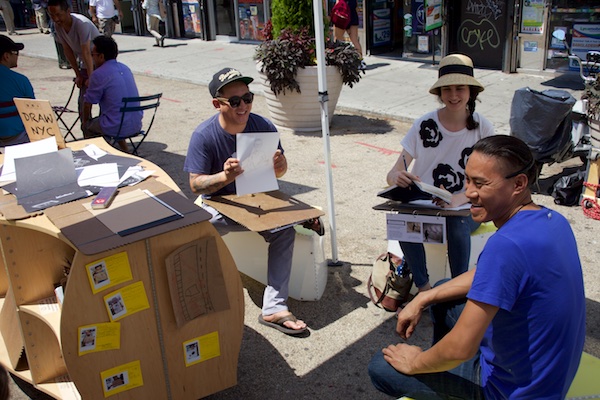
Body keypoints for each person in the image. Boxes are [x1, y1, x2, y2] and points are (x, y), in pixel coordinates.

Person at [369, 135, 586, 399]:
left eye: (481, 184)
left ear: (519, 183)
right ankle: (441, 370)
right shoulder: (554, 221)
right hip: (549, 381)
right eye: (468, 180)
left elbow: (461, 348)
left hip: (507, 392)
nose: (469, 192)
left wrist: (417, 361)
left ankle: (442, 374)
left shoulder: (506, 245)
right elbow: (489, 275)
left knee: (380, 368)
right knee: (441, 292)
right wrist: (424, 297)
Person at [184, 67, 310, 336]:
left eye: (248, 98)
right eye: (236, 101)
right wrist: (224, 175)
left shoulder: (263, 126)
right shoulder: (204, 136)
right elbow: (195, 184)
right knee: (196, 233)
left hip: (259, 200)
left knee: (285, 231)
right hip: (220, 203)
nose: (244, 106)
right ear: (217, 104)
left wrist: (280, 165)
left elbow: (279, 172)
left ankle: (274, 308)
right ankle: (195, 302)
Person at [386, 54, 494, 293]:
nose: (453, 96)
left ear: (471, 92)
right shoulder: (424, 124)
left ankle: (457, 289)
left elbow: (490, 179)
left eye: (460, 88)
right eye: (447, 89)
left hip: (464, 209)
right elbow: (395, 171)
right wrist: (397, 178)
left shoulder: (483, 127)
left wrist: (459, 198)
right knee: (402, 222)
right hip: (426, 208)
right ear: (439, 92)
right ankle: (424, 288)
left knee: (456, 224)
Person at [82, 35, 142, 152]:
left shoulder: (98, 74)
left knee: (88, 127)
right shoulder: (125, 68)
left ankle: (95, 156)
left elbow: (88, 104)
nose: (92, 58)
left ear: (101, 56)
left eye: (92, 55)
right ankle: (125, 150)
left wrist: (85, 122)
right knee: (115, 114)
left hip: (116, 126)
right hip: (136, 123)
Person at [47, 0, 100, 118]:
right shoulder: (58, 26)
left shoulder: (81, 23)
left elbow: (86, 51)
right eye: (52, 16)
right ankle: (86, 129)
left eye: (58, 15)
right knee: (83, 102)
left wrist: (91, 77)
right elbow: (67, 50)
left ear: (68, 12)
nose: (55, 19)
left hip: (99, 60)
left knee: (103, 97)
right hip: (85, 62)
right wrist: (78, 75)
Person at [0, 34, 33, 147]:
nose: (17, 56)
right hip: (17, 136)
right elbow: (32, 112)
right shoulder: (20, 80)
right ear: (6, 56)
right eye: (15, 53)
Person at [333, 0, 365, 70]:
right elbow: (356, 7)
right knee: (355, 40)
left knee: (338, 39)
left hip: (342, 15)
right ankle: (360, 61)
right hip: (352, 15)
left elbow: (337, 3)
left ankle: (339, 60)